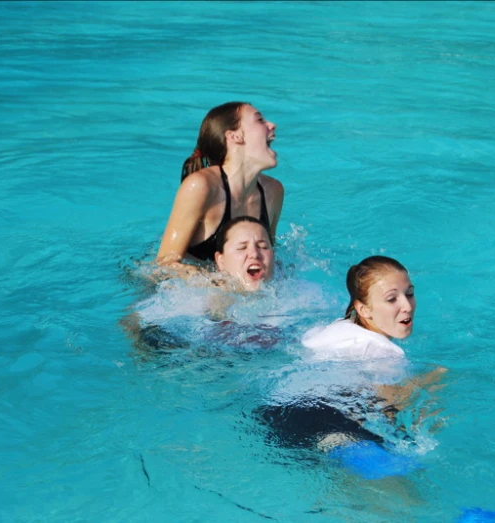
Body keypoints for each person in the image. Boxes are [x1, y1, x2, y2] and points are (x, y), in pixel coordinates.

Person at [256, 256, 445, 474]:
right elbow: (389, 403)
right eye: (392, 299)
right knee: (406, 474)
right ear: (364, 310)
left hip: (276, 412)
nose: (406, 305)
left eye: (410, 294)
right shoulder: (382, 351)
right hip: (322, 416)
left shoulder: (335, 329)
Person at [155, 102, 284, 275]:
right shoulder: (201, 186)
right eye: (260, 120)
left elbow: (269, 254)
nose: (272, 125)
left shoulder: (273, 190)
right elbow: (165, 263)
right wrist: (217, 285)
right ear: (235, 136)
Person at [123, 216, 277, 354]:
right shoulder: (200, 296)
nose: (255, 254)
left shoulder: (296, 293)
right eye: (242, 248)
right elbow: (134, 321)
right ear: (221, 261)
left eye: (263, 247)